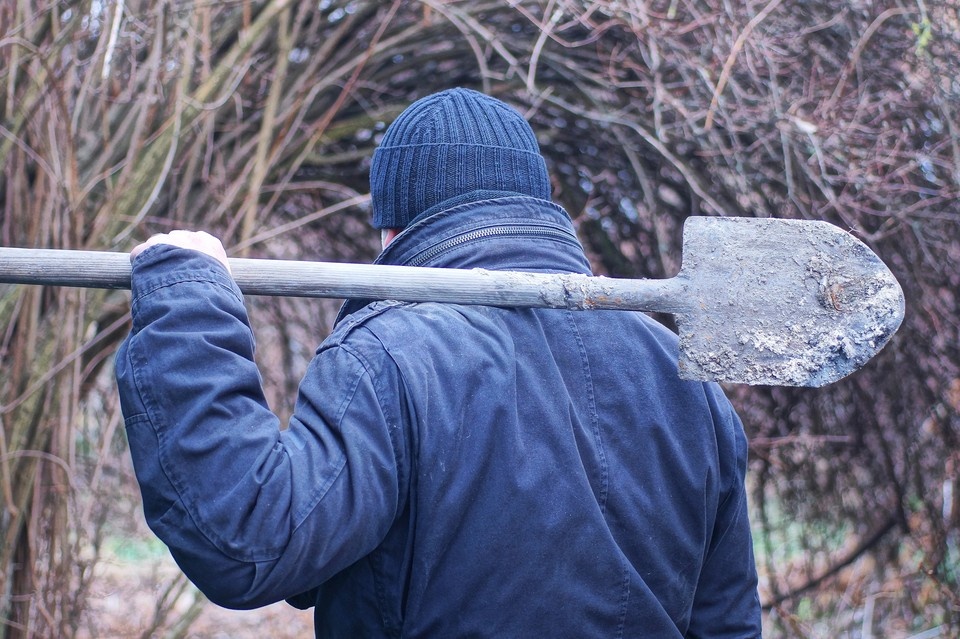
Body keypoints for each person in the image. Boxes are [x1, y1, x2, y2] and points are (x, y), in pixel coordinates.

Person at [116, 88, 762, 637]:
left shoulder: (389, 355)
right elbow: (727, 622)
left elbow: (251, 539)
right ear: (539, 206)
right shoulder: (684, 372)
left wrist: (186, 299)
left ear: (393, 231)